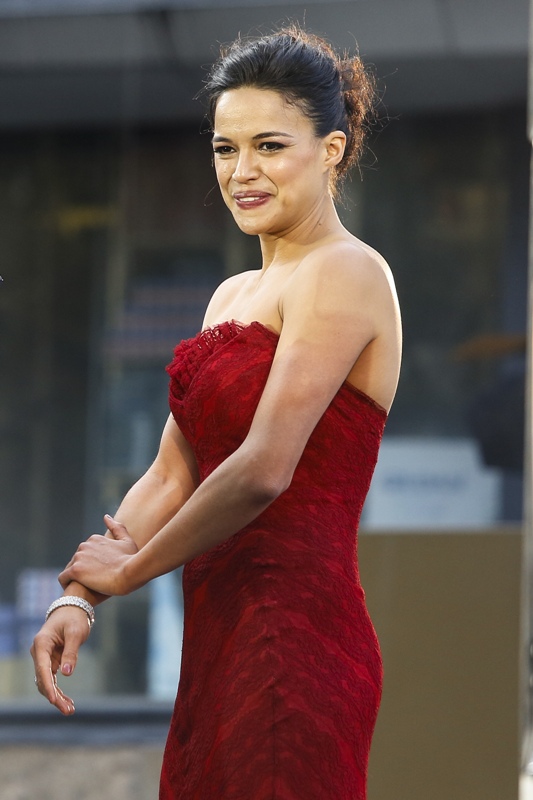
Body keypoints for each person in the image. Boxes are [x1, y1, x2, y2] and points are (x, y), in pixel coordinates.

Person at [31, 25, 402, 800]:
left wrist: (127, 572)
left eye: (269, 146)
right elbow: (172, 474)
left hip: (294, 638)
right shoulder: (231, 295)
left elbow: (263, 468)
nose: (242, 171)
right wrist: (80, 597)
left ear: (331, 150)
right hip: (217, 641)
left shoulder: (347, 270)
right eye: (225, 149)